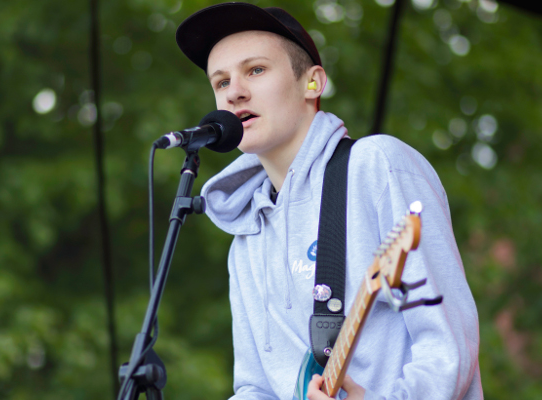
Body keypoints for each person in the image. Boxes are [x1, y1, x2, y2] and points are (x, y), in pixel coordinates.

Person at [175, 3, 483, 400]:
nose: (235, 92)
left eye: (256, 70)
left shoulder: (376, 166)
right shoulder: (246, 238)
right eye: (221, 82)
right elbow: (255, 387)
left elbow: (446, 348)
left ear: (313, 83)